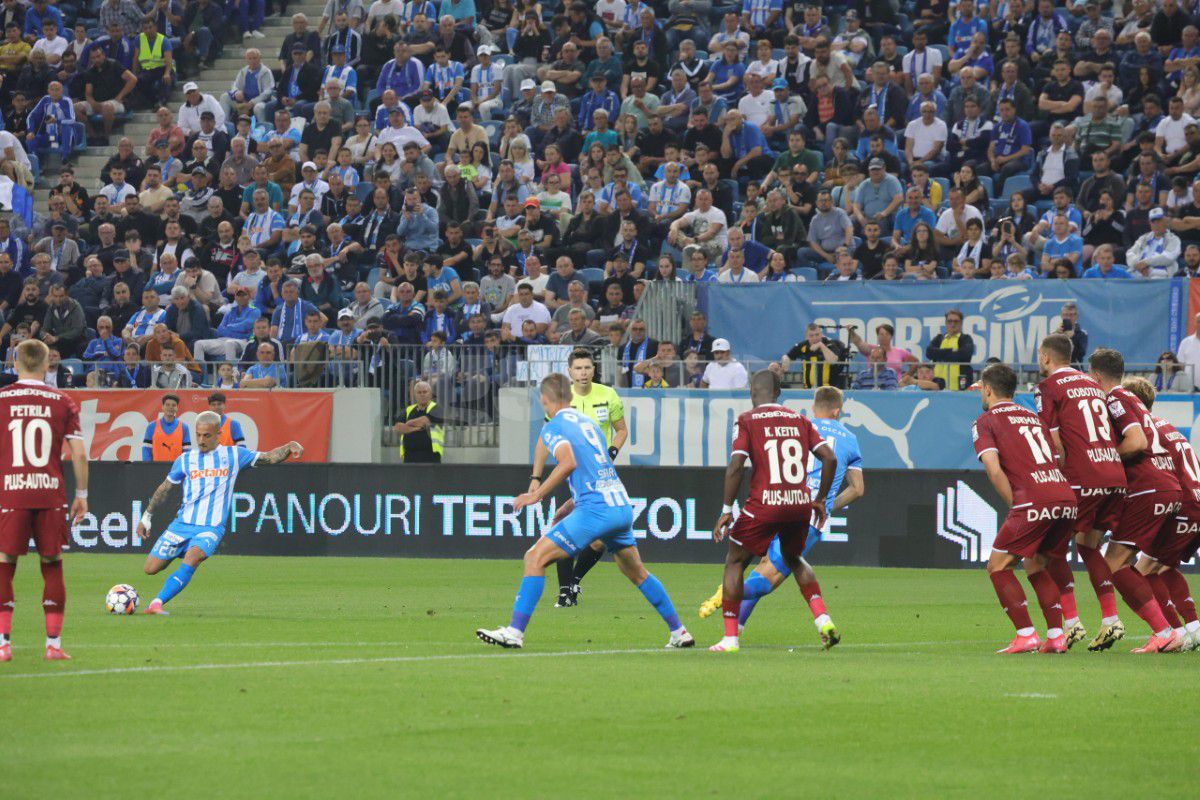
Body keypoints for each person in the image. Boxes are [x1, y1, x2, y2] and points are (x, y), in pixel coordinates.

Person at [475, 372, 694, 650]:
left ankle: (514, 633)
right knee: (637, 573)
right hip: (620, 505)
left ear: (544, 399)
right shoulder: (588, 423)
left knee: (534, 558)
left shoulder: (553, 427)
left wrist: (537, 494)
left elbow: (568, 463)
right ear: (570, 395)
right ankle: (679, 631)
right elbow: (597, 470)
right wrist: (569, 504)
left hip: (596, 510)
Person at [699, 385, 864, 630]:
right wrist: (827, 504)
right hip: (807, 515)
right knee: (774, 573)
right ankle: (730, 595)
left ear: (813, 407)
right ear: (837, 411)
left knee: (763, 565)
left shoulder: (800, 425)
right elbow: (858, 489)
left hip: (779, 499)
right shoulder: (850, 439)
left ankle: (736, 618)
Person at [708, 369, 837, 653]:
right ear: (779, 394)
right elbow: (829, 457)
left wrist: (727, 508)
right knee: (794, 558)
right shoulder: (801, 420)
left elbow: (736, 466)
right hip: (799, 504)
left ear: (752, 394)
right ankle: (823, 619)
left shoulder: (746, 420)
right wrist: (820, 498)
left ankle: (730, 638)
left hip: (764, 504)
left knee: (735, 562)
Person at [137, 413, 302, 615]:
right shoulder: (185, 459)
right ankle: (180, 557)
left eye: (206, 435)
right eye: (198, 435)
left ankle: (156, 603)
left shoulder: (234, 455)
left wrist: (290, 445)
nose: (201, 440)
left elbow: (269, 457)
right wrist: (147, 517)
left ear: (219, 434)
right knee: (150, 568)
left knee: (193, 557)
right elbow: (165, 488)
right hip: (182, 525)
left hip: (211, 527)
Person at [973, 362, 1076, 654]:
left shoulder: (986, 421)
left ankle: (1026, 634)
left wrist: (1016, 505)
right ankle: (1056, 636)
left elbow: (994, 470)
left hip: (1033, 499)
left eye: (982, 388)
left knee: (998, 566)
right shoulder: (1033, 416)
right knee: (1037, 564)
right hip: (1064, 496)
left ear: (988, 389)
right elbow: (1058, 454)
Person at [1035, 334, 1130, 651]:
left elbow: (1054, 440)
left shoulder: (1048, 388)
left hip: (1082, 475)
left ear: (1046, 357)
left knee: (1049, 548)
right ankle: (1110, 619)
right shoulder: (1093, 384)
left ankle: (1072, 622)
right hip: (1114, 473)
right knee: (1089, 546)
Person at [1088, 348, 1186, 652]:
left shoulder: (1116, 398)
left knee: (1114, 562)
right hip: (1167, 486)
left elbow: (1137, 441)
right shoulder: (1134, 401)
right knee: (1138, 563)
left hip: (1149, 487)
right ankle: (1173, 630)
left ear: (1095, 376)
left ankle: (1164, 630)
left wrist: (1105, 459)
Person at [0, 339, 88, 662]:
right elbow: (78, 453)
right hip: (50, 492)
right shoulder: (62, 401)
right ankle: (53, 646)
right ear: (47, 365)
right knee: (51, 564)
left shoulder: (2, 399)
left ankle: (2, 644)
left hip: (11, 491)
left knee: (5, 563)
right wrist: (81, 495)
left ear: (15, 363)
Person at [534, 348, 627, 608]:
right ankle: (565, 591)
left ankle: (573, 581)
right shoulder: (562, 399)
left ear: (594, 370)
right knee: (564, 526)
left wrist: (612, 451)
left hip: (600, 475)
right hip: (573, 473)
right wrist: (536, 476)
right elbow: (546, 435)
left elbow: (621, 430)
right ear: (570, 372)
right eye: (578, 368)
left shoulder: (608, 395)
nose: (583, 373)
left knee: (598, 541)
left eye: (587, 368)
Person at [1119, 377, 1200, 651]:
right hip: (1194, 502)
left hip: (1184, 505)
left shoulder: (1144, 431)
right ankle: (1191, 629)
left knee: (1142, 570)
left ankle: (1173, 633)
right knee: (1163, 566)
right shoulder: (1167, 428)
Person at [781, 323, 849, 388]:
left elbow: (833, 361)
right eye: (811, 335)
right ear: (807, 337)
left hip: (828, 389)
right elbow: (788, 356)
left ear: (821, 334)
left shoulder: (830, 343)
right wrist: (785, 359)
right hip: (807, 390)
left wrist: (821, 345)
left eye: (817, 334)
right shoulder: (803, 346)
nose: (815, 338)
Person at [393, 380, 443, 463]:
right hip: (409, 457)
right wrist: (416, 429)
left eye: (425, 392)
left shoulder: (436, 408)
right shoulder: (409, 410)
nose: (422, 394)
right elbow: (397, 427)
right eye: (419, 392)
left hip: (431, 458)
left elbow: (424, 421)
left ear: (430, 394)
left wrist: (408, 424)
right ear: (415, 395)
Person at [925, 309, 975, 391]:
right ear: (945, 323)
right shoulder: (939, 338)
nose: (953, 324)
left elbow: (965, 353)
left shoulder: (965, 338)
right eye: (950, 321)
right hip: (938, 385)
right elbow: (929, 353)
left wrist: (940, 354)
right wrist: (950, 352)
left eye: (956, 321)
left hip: (959, 386)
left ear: (961, 323)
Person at [142, 393, 191, 461]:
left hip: (176, 470)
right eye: (167, 405)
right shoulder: (151, 426)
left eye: (173, 405)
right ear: (162, 407)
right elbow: (146, 450)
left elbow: (186, 453)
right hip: (156, 469)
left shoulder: (184, 427)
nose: (170, 407)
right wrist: (148, 469)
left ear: (177, 408)